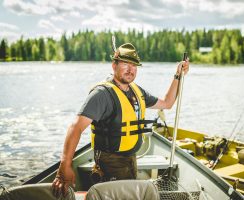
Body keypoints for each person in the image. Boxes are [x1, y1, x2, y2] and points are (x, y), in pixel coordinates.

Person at [52, 42, 189, 197]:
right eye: (125, 64)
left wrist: (178, 75)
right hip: (110, 162)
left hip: (131, 159)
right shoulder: (101, 94)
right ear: (114, 65)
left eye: (134, 65)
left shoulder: (136, 91)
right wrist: (65, 166)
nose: (130, 69)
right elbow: (75, 128)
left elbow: (167, 103)